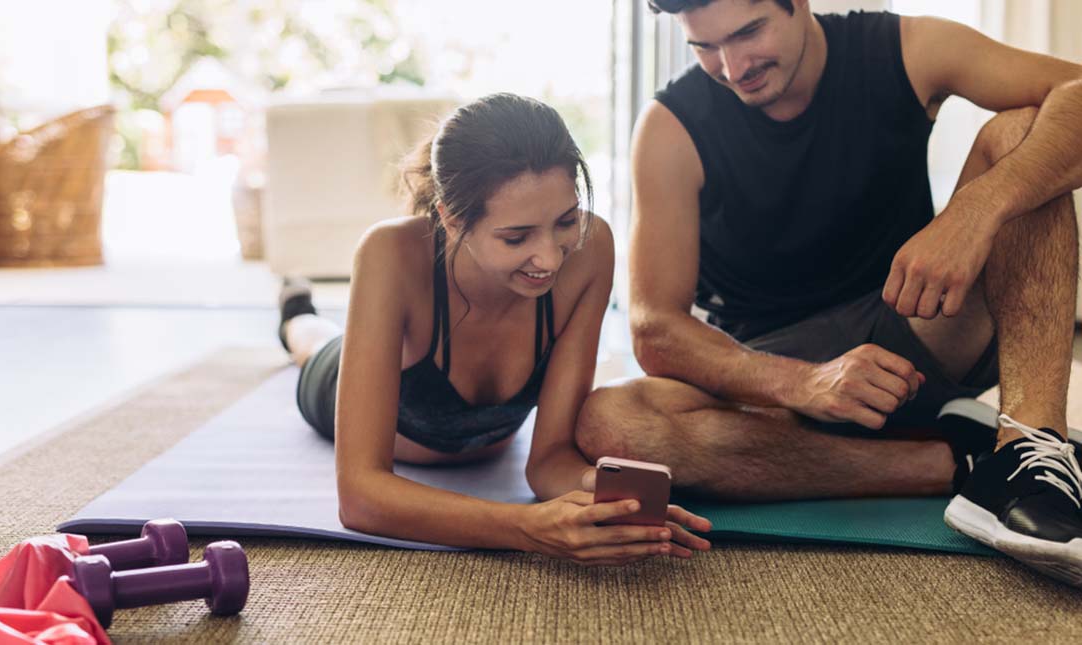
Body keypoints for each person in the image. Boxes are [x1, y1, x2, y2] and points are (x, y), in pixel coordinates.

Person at [574, 0, 1082, 584]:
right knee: (610, 423)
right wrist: (803, 382)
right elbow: (654, 328)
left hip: (915, 325)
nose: (734, 66)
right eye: (705, 47)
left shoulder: (908, 48)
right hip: (771, 387)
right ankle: (955, 463)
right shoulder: (671, 127)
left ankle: (1029, 451)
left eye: (748, 33)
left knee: (1024, 131)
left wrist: (977, 209)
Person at [278, 93, 712, 566]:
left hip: (486, 447)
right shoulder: (390, 253)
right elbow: (360, 497)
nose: (549, 259)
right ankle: (295, 314)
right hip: (332, 380)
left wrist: (603, 496)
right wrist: (528, 528)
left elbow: (548, 461)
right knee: (313, 342)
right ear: (450, 217)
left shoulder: (590, 248)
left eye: (565, 221)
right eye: (516, 237)